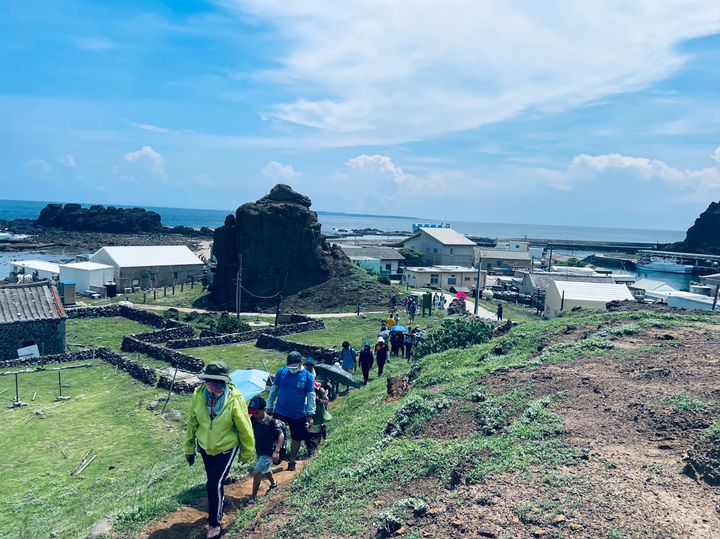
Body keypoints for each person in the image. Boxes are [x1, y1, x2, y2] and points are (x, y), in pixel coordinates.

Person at [184, 361, 255, 539]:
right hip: (205, 447)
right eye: (209, 381)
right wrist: (190, 448)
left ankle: (215, 523)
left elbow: (244, 428)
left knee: (213, 484)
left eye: (218, 383)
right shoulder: (198, 395)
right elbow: (193, 422)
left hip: (226, 448)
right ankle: (221, 500)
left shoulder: (234, 399)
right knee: (213, 482)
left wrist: (247, 452)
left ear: (225, 382)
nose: (213, 386)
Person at [267, 352, 316, 471]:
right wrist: (269, 406)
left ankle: (292, 460)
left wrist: (310, 415)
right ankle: (278, 454)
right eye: (290, 367)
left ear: (300, 364)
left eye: (295, 367)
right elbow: (274, 390)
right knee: (276, 434)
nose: (292, 369)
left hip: (298, 414)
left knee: (297, 438)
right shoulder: (281, 372)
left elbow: (311, 395)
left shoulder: (308, 376)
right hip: (280, 411)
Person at [247, 396, 285, 502]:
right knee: (266, 470)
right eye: (252, 413)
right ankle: (273, 484)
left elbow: (280, 435)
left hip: (269, 452)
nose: (254, 415)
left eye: (256, 412)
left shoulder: (271, 422)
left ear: (264, 410)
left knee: (257, 472)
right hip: (260, 450)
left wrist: (277, 451)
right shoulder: (253, 419)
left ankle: (253, 497)